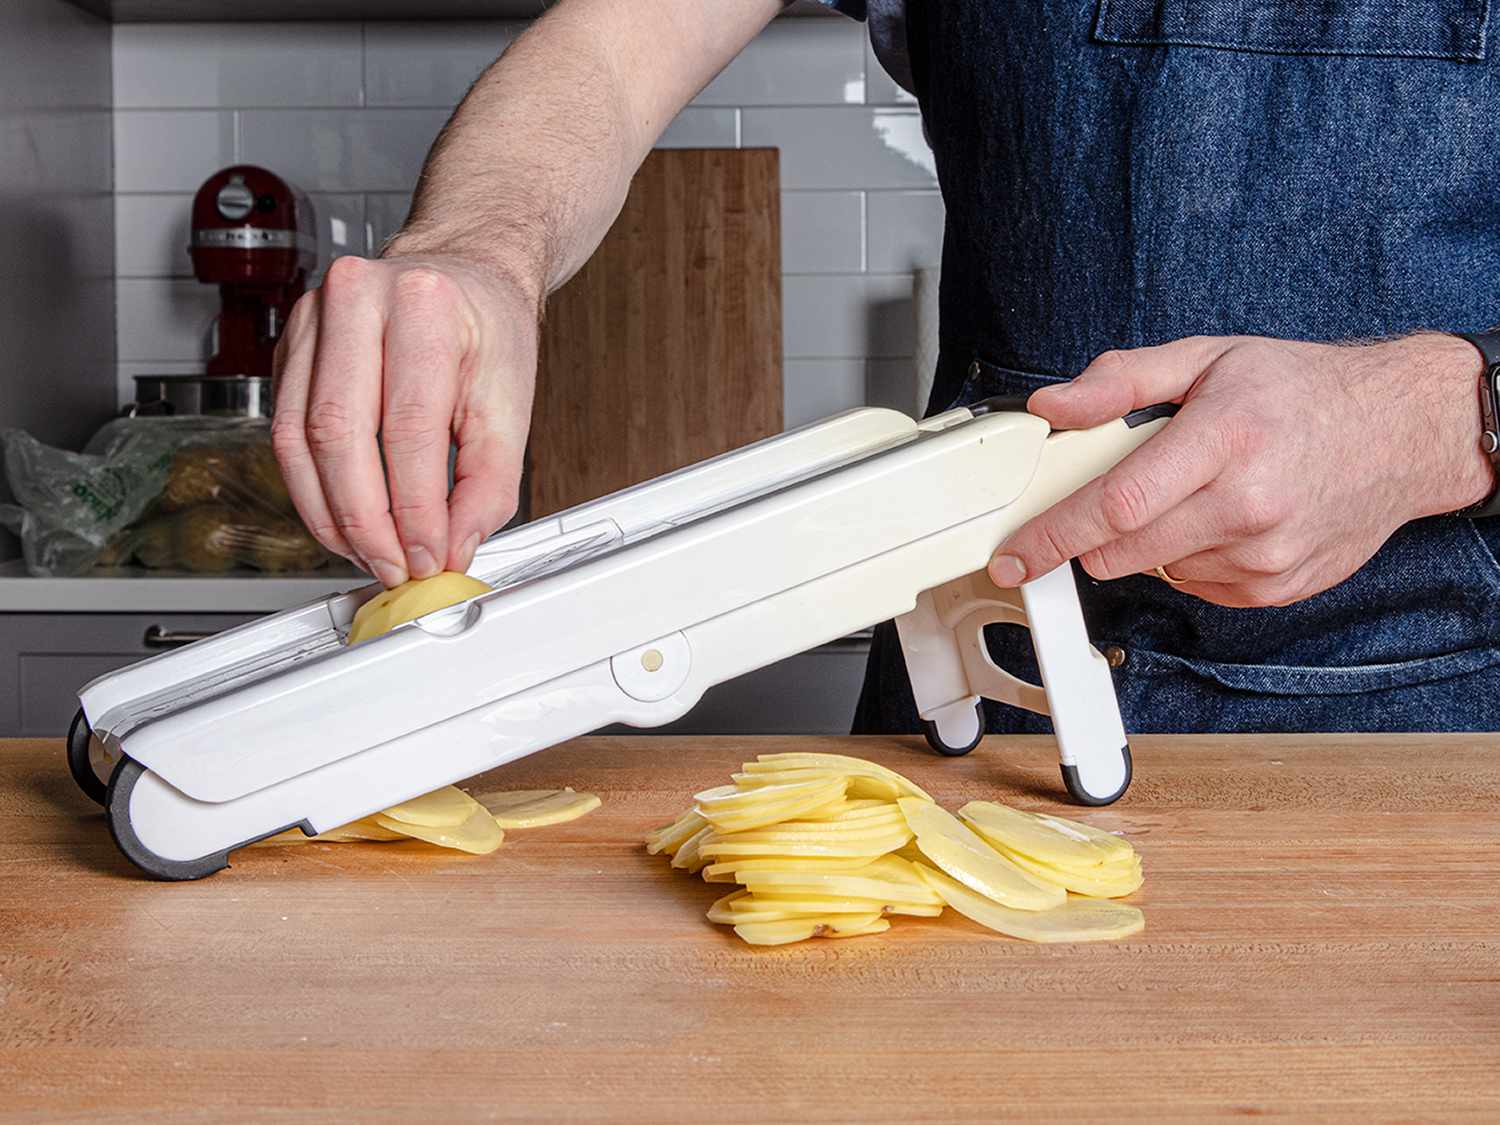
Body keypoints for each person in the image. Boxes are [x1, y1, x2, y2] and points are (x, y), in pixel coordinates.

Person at [271, 0, 1500, 733]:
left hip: (1447, 736)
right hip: (971, 687)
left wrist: (1445, 417)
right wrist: (479, 242)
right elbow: (614, 45)